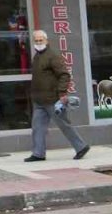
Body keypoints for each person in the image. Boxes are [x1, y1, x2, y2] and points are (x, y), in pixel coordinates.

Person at [26, 30, 88, 163]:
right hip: (39, 100)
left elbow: (64, 75)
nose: (38, 43)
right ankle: (38, 153)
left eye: (40, 40)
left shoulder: (52, 56)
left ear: (46, 41)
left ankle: (81, 146)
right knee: (37, 127)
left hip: (53, 99)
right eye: (36, 41)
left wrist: (62, 93)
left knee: (64, 124)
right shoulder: (37, 57)